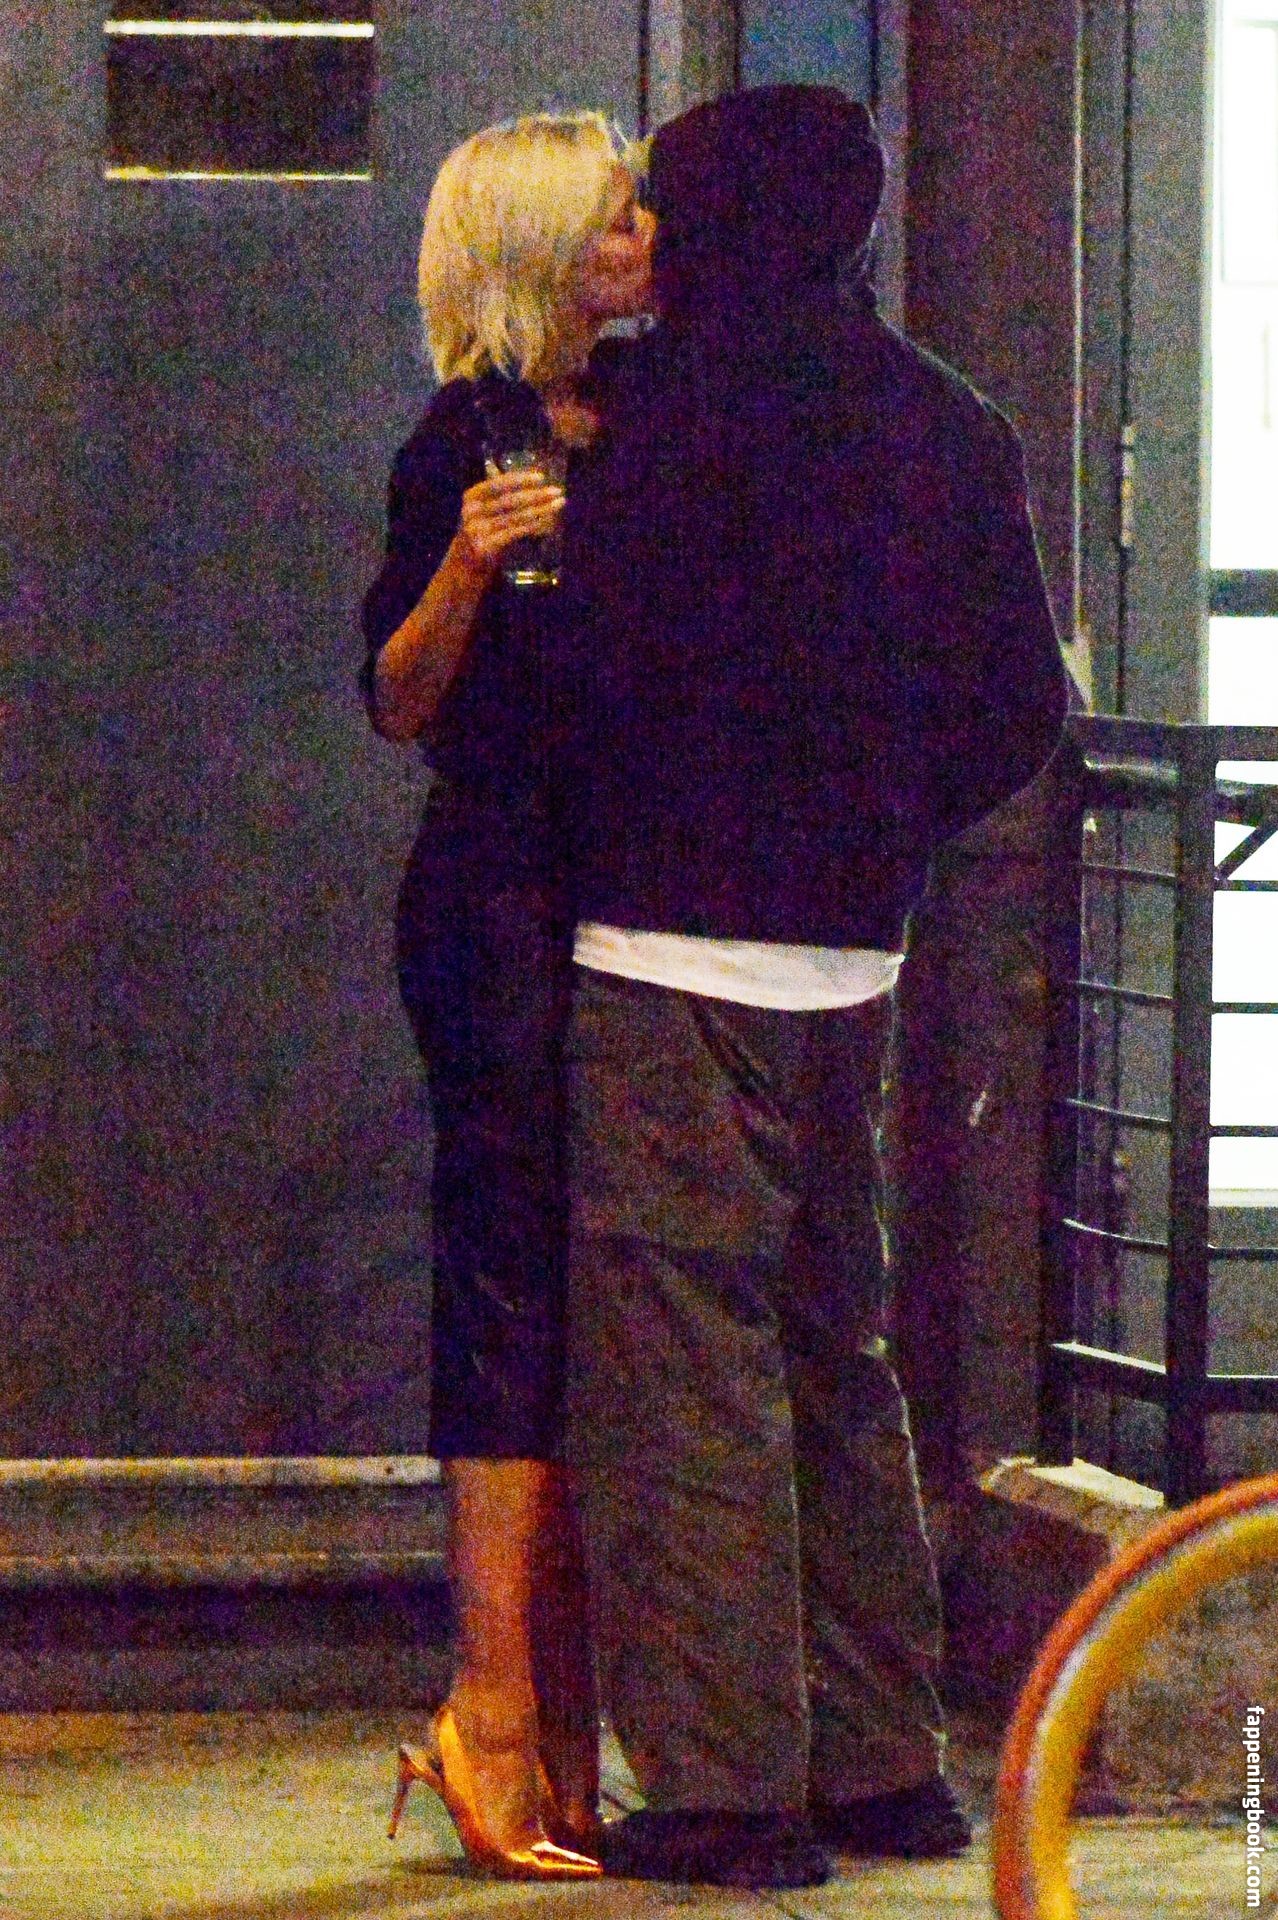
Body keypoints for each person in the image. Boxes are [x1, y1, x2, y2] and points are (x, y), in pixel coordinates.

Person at [552, 85, 1071, 1888]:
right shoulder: (947, 421)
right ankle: (880, 1762)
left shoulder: (641, 418)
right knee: (838, 1350)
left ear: (709, 218)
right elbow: (1018, 704)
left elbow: (570, 683)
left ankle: (723, 1791)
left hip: (660, 947)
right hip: (851, 957)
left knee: (684, 1365)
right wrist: (878, 836)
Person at [359, 111, 653, 1879]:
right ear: (540, 247)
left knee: (616, 1293)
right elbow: (396, 702)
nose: (644, 236)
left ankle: (571, 1710)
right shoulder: (458, 442)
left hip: (644, 900)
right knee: (508, 1282)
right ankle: (490, 1706)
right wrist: (467, 564)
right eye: (614, 216)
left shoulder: (665, 412)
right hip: (496, 905)